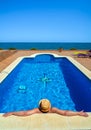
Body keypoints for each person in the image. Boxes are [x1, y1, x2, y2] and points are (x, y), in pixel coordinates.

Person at [3, 99, 88, 117]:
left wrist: (12, 112)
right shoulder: (53, 109)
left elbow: (25, 113)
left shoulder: (37, 110)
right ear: (49, 106)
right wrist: (78, 113)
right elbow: (65, 112)